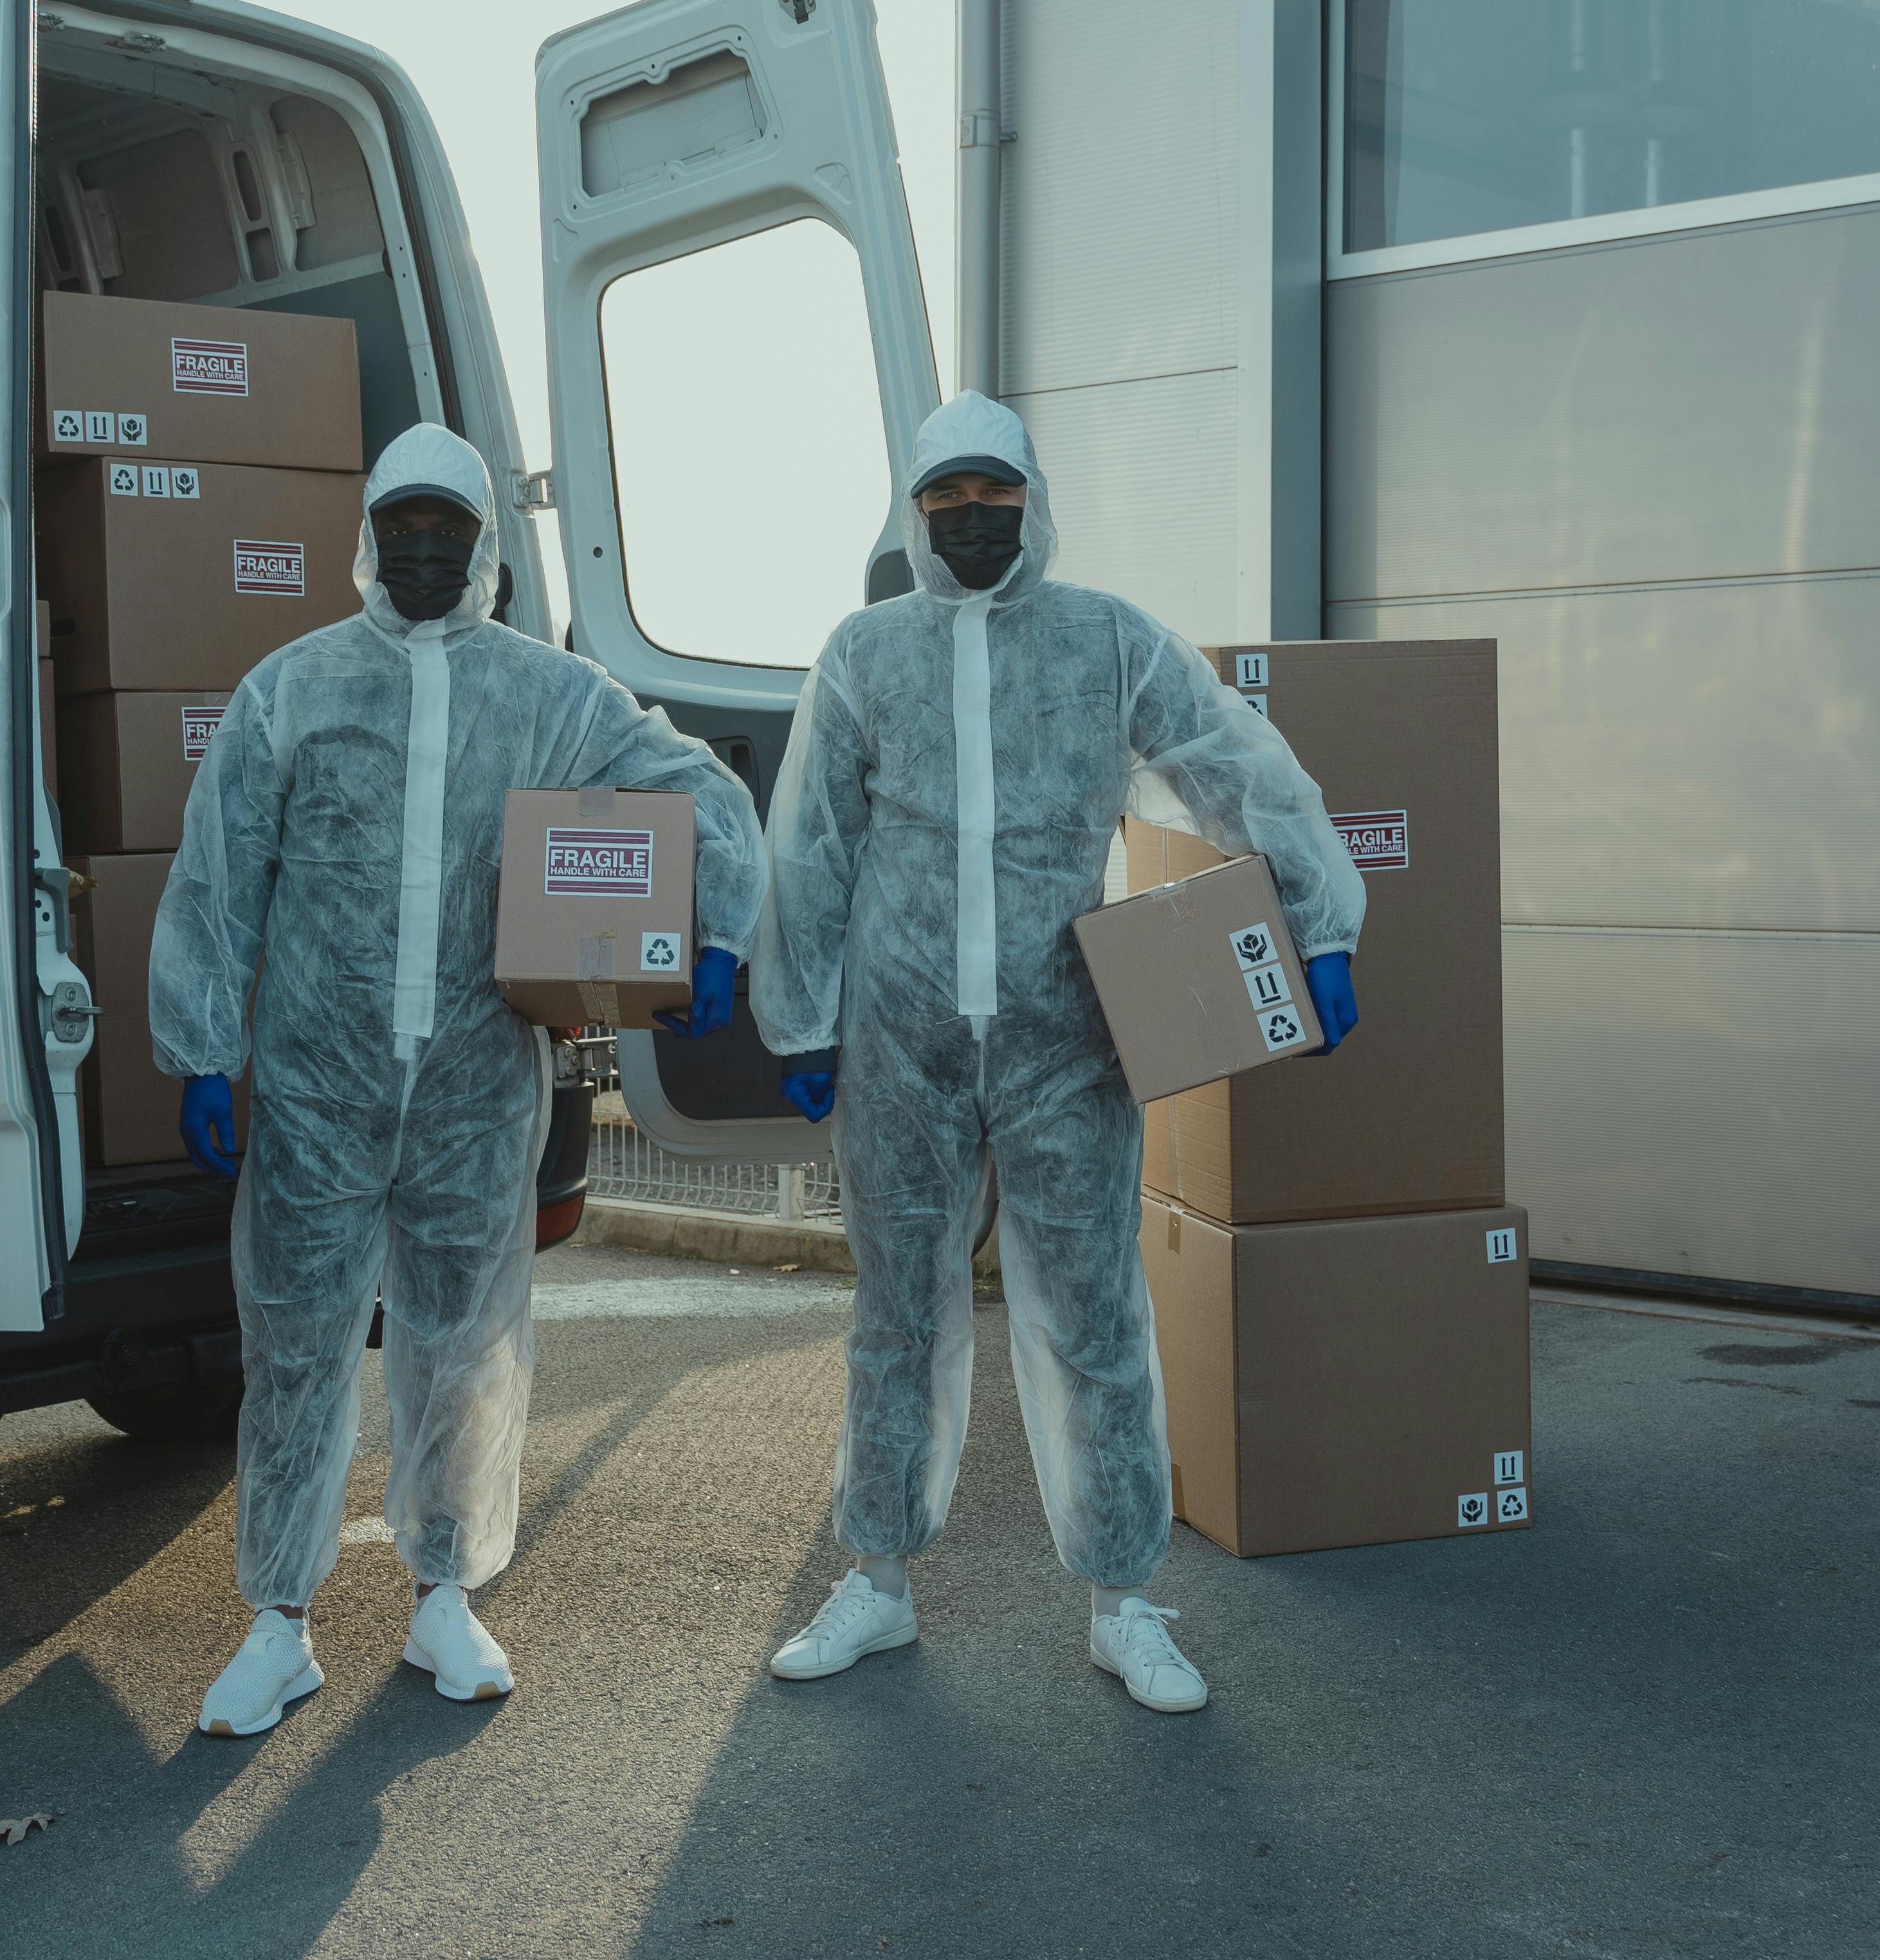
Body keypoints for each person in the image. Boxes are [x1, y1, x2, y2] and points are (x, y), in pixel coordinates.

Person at [751, 392, 1364, 1714]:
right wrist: (799, 1017)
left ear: (1034, 499)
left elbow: (1233, 764)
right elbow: (811, 839)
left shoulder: (1107, 641)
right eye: (946, 501)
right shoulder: (865, 654)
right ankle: (877, 1584)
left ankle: (1125, 1602)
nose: (972, 521)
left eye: (995, 496)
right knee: (894, 1317)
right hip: (900, 1034)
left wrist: (1319, 919)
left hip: (1065, 1037)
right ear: (916, 514)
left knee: (1093, 1317)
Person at [152, 423, 763, 1738]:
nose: (427, 547)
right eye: (405, 523)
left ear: (484, 545)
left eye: (452, 526)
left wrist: (717, 927)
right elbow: (215, 880)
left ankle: (445, 1594)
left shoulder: (550, 695)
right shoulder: (291, 690)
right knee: (298, 1341)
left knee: (465, 1339)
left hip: (479, 1080)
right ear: (369, 537)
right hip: (317, 1086)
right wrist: (204, 1045)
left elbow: (694, 787)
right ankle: (279, 1621)